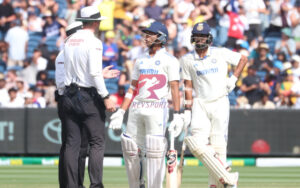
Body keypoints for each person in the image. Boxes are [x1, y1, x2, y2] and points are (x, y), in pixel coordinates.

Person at [108, 21, 184, 188]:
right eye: (146, 33)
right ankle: (137, 185)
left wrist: (178, 115)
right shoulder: (140, 60)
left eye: (151, 34)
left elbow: (174, 88)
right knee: (129, 146)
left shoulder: (170, 60)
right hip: (137, 107)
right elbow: (133, 88)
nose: (146, 37)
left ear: (161, 37)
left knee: (155, 150)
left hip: (157, 107)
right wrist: (121, 111)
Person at [180, 22, 247, 188]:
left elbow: (243, 59)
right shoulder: (187, 59)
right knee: (196, 143)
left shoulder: (220, 53)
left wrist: (233, 79)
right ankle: (228, 177)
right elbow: (188, 86)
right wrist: (187, 110)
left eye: (203, 36)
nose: (200, 39)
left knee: (218, 144)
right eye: (197, 36)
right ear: (193, 38)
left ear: (209, 37)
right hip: (200, 104)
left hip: (219, 102)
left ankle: (216, 184)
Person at [55, 20, 120, 188]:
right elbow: (90, 74)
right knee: (95, 142)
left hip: (69, 97)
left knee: (73, 145)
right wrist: (105, 95)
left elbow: (75, 78)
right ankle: (93, 184)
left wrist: (99, 75)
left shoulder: (68, 45)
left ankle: (72, 185)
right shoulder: (89, 42)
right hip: (84, 96)